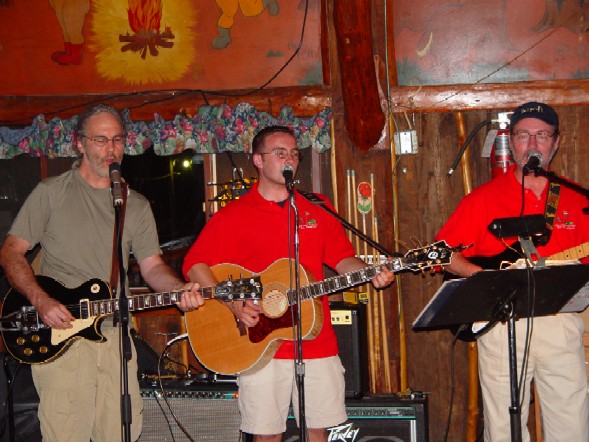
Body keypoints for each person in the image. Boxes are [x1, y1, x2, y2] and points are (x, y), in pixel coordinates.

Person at [0, 103, 205, 441]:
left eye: (118, 140)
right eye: (100, 140)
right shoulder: (51, 193)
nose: (111, 149)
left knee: (121, 433)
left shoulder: (135, 204)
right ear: (79, 143)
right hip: (63, 338)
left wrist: (179, 289)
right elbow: (11, 251)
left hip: (115, 340)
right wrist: (40, 299)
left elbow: (153, 267)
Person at [182, 125, 395, 441]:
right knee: (267, 435)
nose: (290, 160)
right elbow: (194, 264)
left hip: (315, 339)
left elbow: (343, 260)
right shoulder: (234, 215)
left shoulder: (317, 207)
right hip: (257, 345)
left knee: (318, 433)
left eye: (294, 153)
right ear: (258, 160)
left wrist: (371, 272)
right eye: (280, 153)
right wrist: (232, 303)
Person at [435, 102, 589, 441]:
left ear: (556, 142)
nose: (532, 144)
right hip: (502, 320)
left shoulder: (577, 199)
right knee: (504, 427)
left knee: (572, 424)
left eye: (541, 135)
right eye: (523, 135)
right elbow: (444, 254)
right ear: (511, 141)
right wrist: (483, 279)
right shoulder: (482, 199)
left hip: (560, 320)